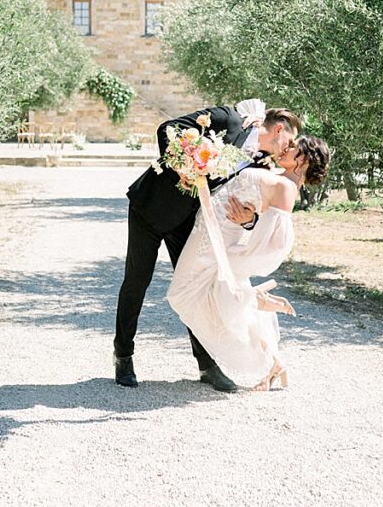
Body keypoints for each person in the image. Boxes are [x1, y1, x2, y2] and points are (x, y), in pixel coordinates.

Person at [114, 104, 302, 391]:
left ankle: (207, 365)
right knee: (137, 281)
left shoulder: (263, 162)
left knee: (198, 286)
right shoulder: (228, 119)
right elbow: (168, 129)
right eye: (290, 141)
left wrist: (250, 220)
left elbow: (252, 203)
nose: (288, 149)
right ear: (279, 129)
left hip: (190, 221)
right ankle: (123, 356)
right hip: (150, 209)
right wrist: (181, 162)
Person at [166, 135, 332, 390]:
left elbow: (275, 243)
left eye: (294, 147)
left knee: (181, 295)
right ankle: (273, 362)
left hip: (214, 242)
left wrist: (238, 261)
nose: (287, 148)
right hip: (209, 231)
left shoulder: (286, 188)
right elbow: (253, 213)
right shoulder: (278, 174)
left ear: (305, 159)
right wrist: (247, 219)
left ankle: (252, 299)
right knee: (213, 301)